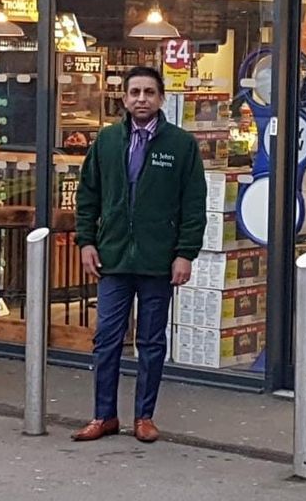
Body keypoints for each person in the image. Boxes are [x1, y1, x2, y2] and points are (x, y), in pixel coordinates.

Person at [72, 65, 207, 444]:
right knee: (106, 339)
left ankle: (144, 417)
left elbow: (193, 204)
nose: (141, 99)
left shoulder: (181, 145)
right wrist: (86, 241)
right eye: (135, 92)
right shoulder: (107, 141)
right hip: (113, 258)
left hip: (157, 260)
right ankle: (104, 416)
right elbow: (88, 195)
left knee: (150, 342)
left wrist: (185, 254)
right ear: (125, 98)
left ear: (161, 98)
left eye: (149, 92)